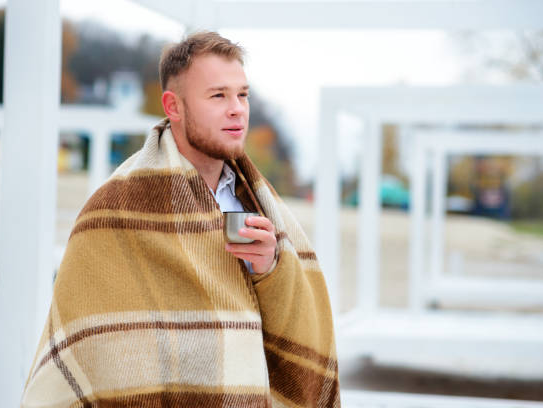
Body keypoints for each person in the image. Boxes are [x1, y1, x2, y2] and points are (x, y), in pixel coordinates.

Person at [21, 31, 340, 408]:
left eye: (243, 94)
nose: (237, 108)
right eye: (218, 95)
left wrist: (271, 269)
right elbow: (90, 345)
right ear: (173, 107)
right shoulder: (113, 208)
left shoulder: (259, 203)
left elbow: (301, 326)